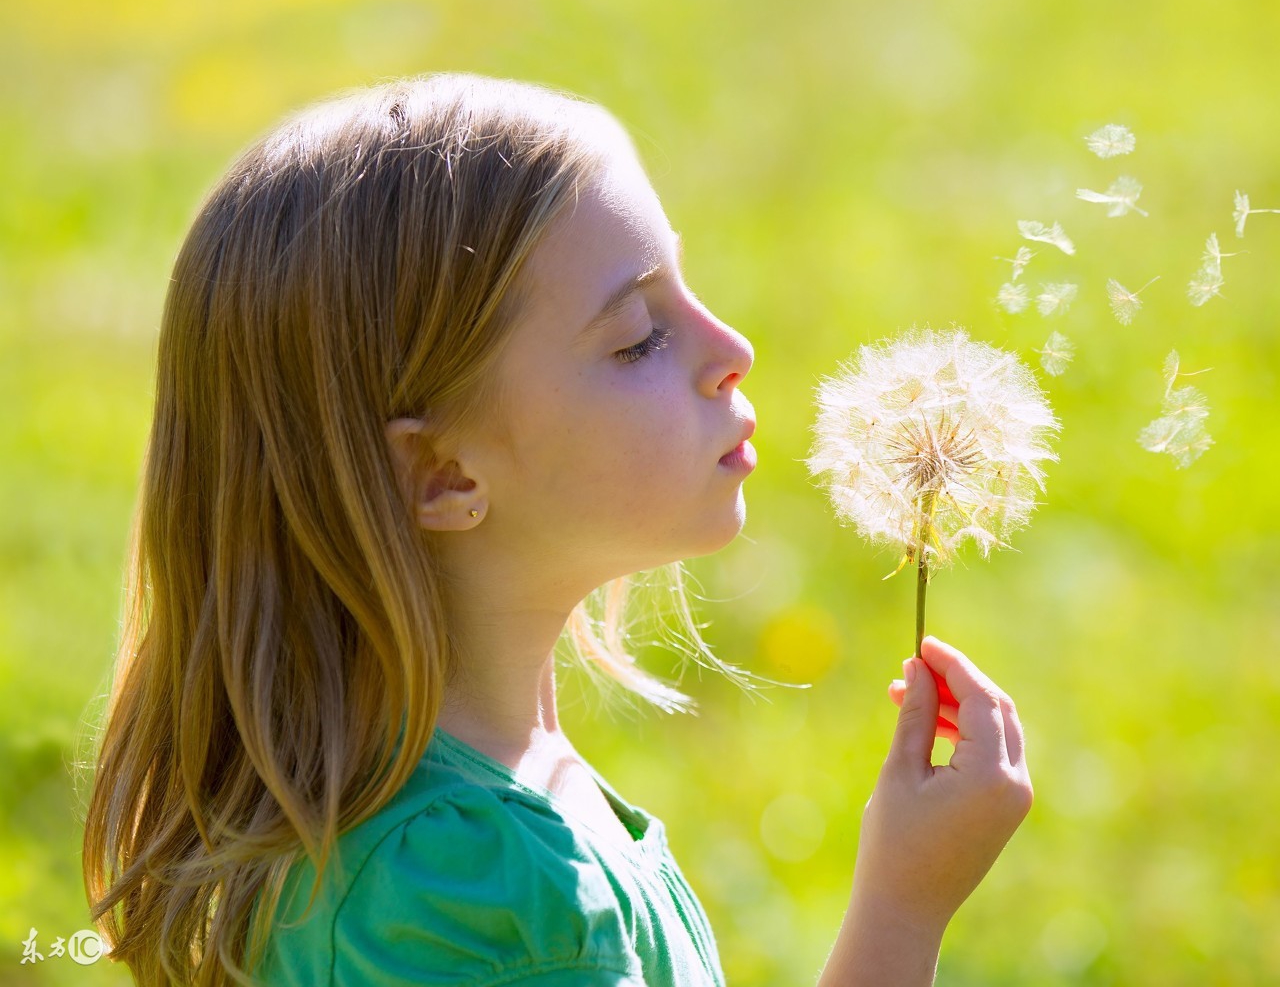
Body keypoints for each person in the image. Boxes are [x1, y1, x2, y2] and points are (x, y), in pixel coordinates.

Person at [80, 72, 1032, 987]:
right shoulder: (475, 899)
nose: (732, 349)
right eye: (639, 337)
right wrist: (903, 908)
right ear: (444, 474)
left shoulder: (468, 816)